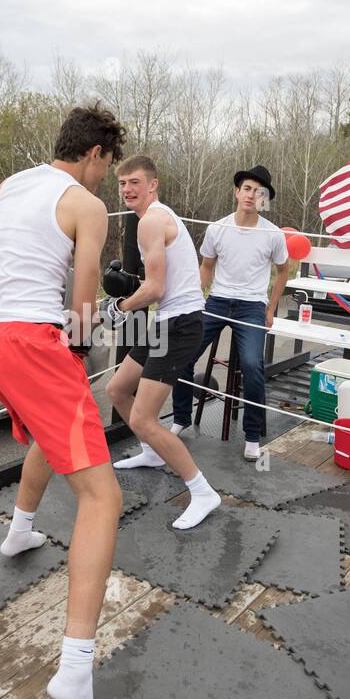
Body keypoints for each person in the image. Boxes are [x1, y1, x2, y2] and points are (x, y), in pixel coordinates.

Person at [0, 103, 126, 699]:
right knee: (101, 498)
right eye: (105, 168)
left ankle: (19, 529)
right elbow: (84, 285)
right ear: (94, 154)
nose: (103, 181)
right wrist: (80, 344)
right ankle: (76, 671)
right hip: (34, 342)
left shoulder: (11, 184)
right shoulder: (86, 205)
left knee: (45, 433)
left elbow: (9, 257)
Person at [103, 156, 220, 528]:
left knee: (144, 417)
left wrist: (118, 306)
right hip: (166, 321)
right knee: (117, 389)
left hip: (181, 325)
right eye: (122, 184)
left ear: (153, 185)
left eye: (134, 182)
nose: (127, 190)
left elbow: (156, 288)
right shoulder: (155, 218)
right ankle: (152, 453)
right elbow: (156, 286)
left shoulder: (151, 220)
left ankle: (203, 492)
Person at [170, 165, 291, 460]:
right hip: (217, 302)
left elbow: (283, 271)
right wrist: (194, 299)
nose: (251, 195)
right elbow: (207, 266)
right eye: (247, 188)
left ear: (264, 199)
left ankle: (251, 437)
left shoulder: (273, 234)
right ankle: (181, 418)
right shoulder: (218, 228)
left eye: (259, 192)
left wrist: (271, 308)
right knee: (181, 352)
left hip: (252, 307)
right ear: (237, 192)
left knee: (251, 364)